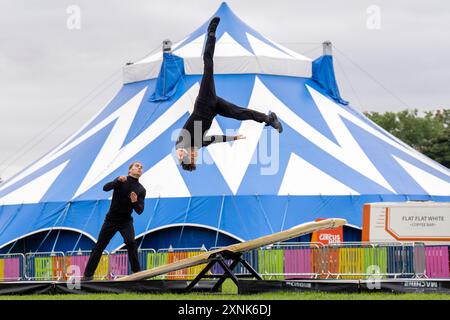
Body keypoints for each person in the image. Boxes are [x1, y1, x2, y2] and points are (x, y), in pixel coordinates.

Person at [175, 17, 283, 171]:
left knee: (208, 65)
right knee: (239, 113)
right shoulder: (198, 145)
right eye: (196, 159)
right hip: (214, 109)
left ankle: (211, 33)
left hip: (204, 103)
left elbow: (179, 149)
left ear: (186, 156)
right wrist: (233, 138)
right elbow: (214, 139)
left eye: (193, 158)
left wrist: (180, 152)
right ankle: (269, 118)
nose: (196, 156)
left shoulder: (182, 143)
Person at [82, 161, 146, 281]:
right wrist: (116, 181)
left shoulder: (141, 189)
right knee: (100, 246)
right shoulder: (122, 180)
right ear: (130, 170)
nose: (139, 168)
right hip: (111, 220)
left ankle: (137, 273)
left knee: (131, 242)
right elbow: (105, 188)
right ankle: (88, 275)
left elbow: (139, 210)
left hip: (126, 221)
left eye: (141, 168)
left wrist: (135, 201)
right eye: (137, 166)